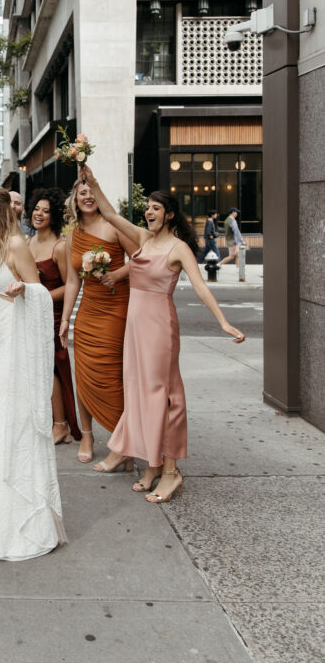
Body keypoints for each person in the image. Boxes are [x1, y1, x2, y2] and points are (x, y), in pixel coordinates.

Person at [80, 166, 246, 502]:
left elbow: (200, 288)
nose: (149, 211)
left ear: (169, 215)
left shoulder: (178, 248)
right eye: (148, 207)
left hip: (159, 327)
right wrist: (92, 181)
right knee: (140, 393)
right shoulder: (144, 238)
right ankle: (153, 464)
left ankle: (171, 471)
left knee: (165, 396)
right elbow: (110, 215)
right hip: (135, 325)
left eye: (156, 207)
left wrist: (223, 322)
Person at [0, 186, 66, 561]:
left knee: (11, 426)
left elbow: (41, 293)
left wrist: (23, 291)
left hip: (13, 347)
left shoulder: (14, 244)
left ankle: (24, 521)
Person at [59, 179, 136, 467]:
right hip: (89, 311)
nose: (88, 197)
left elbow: (139, 259)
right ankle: (88, 436)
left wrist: (117, 275)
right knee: (84, 376)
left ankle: (122, 440)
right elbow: (72, 279)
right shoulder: (73, 235)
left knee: (112, 377)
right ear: (75, 200)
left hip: (117, 308)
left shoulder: (114, 226)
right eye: (82, 193)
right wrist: (66, 318)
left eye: (92, 192)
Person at [27, 187, 81, 444]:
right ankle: (51, 420)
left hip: (52, 315)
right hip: (30, 315)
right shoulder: (28, 242)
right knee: (38, 371)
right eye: (37, 208)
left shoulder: (59, 247)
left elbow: (71, 283)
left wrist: (41, 294)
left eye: (46, 211)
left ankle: (61, 425)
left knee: (52, 370)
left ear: (54, 217)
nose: (39, 214)